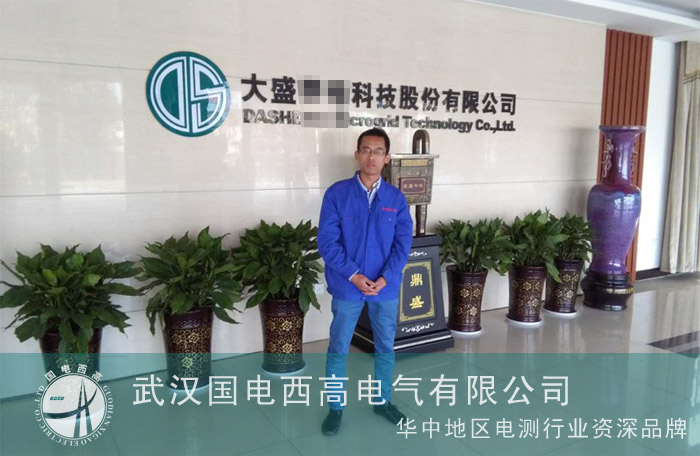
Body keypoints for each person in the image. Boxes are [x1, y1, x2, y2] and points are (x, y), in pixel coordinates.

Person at [317, 128, 414, 436]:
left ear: (387, 158)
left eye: (378, 151)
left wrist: (386, 277)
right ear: (357, 154)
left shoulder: (396, 199)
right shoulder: (337, 194)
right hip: (348, 286)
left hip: (384, 288)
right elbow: (327, 242)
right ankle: (335, 408)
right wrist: (354, 275)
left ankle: (382, 401)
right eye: (366, 150)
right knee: (339, 346)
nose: (372, 156)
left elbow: (403, 243)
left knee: (385, 346)